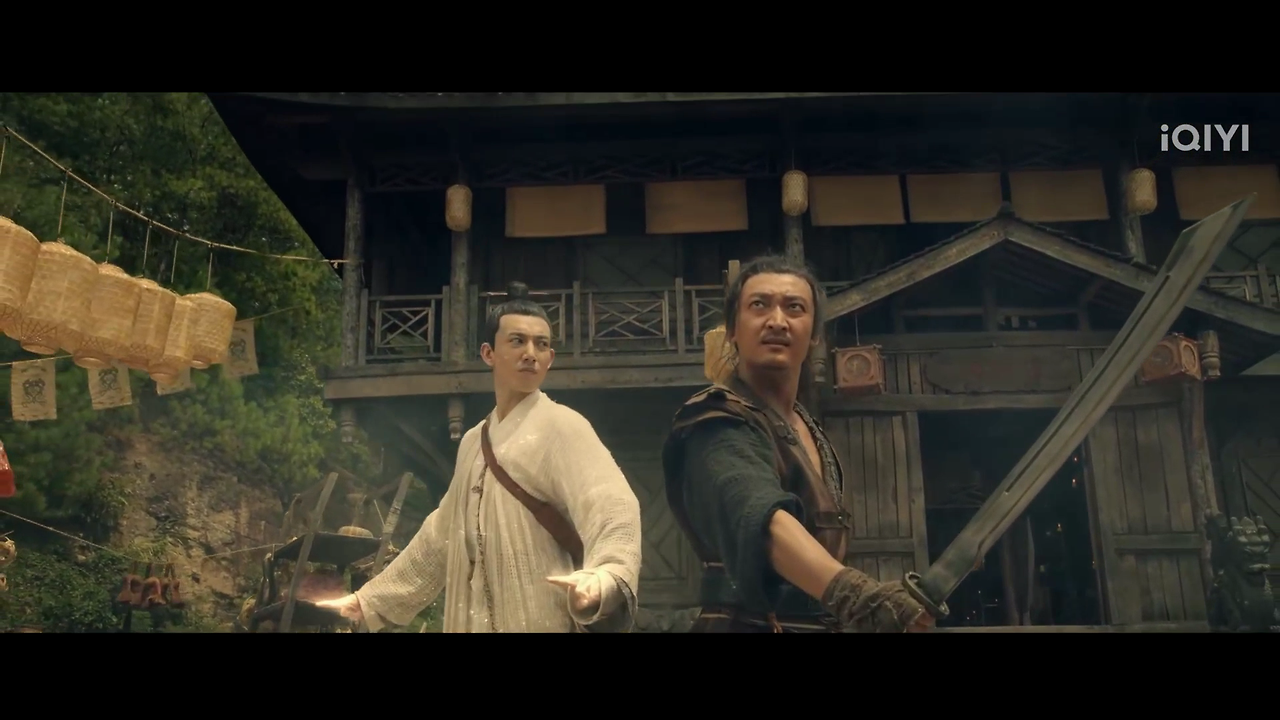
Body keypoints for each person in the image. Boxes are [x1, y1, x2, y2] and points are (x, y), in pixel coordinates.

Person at [318, 282, 642, 632]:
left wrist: (604, 577)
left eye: (541, 344)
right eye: (517, 341)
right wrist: (368, 601)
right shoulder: (474, 441)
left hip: (539, 618)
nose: (530, 353)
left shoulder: (563, 426)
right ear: (489, 353)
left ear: (550, 358)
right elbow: (440, 537)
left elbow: (612, 503)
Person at [661, 255, 936, 633]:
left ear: (815, 334)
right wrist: (857, 596)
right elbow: (758, 515)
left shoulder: (807, 426)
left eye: (794, 307)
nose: (777, 321)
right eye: (759, 305)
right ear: (733, 330)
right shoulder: (714, 419)